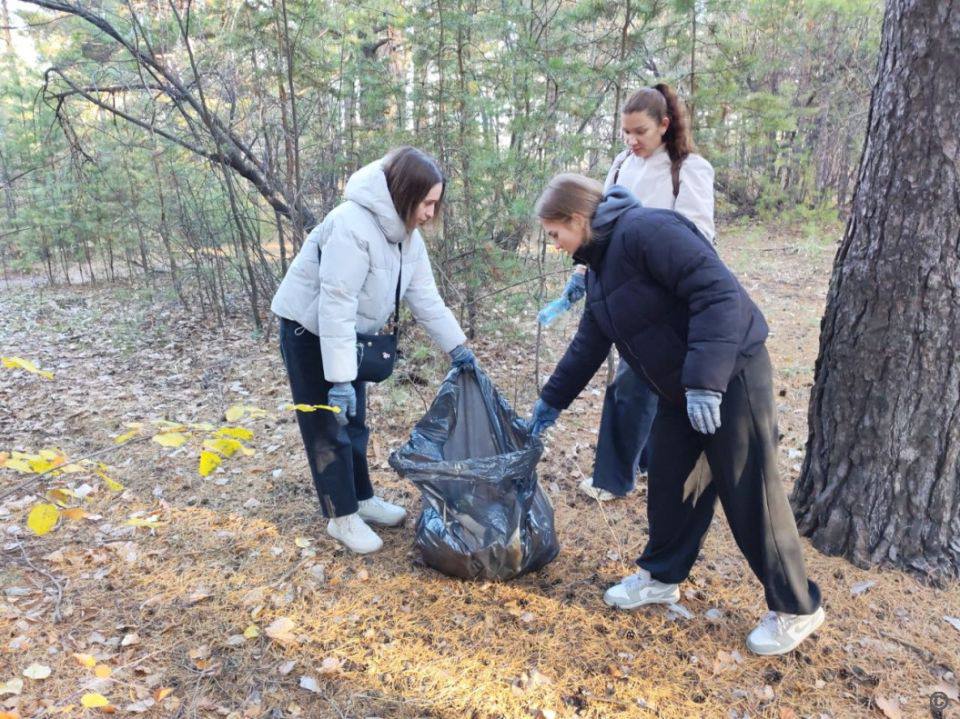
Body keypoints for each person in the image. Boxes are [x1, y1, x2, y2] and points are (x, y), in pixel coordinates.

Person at [527, 174, 824, 656]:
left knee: (751, 492)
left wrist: (706, 383)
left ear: (577, 219)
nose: (556, 247)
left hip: (731, 373)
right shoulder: (600, 268)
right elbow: (588, 345)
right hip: (678, 388)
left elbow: (717, 294)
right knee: (670, 482)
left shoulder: (647, 230)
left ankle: (797, 607)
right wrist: (549, 403)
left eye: (555, 235)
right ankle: (662, 576)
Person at [271, 147, 477, 555]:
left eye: (436, 204)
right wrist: (340, 378)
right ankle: (341, 516)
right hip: (310, 331)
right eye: (427, 203)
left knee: (355, 422)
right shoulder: (351, 225)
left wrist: (459, 348)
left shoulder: (405, 236)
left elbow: (426, 298)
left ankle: (362, 498)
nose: (431, 214)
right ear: (404, 194)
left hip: (347, 337)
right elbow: (335, 305)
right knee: (328, 427)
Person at [545, 83, 715, 503]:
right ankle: (633, 467)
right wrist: (582, 276)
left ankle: (615, 477)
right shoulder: (622, 163)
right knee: (637, 385)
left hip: (666, 296)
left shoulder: (688, 169)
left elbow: (699, 239)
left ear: (664, 125)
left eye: (640, 131)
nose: (632, 140)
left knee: (637, 383)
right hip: (622, 290)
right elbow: (596, 223)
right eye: (625, 132)